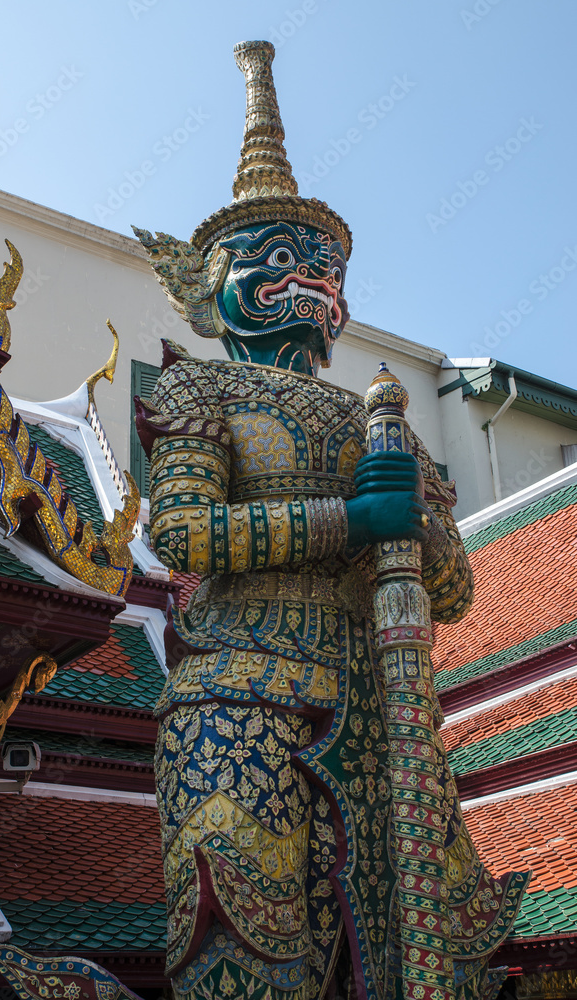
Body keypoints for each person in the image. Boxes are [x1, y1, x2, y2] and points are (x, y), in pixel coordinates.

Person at [134, 40, 528, 1000]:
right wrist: (345, 519)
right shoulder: (199, 391)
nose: (304, 279)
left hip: (379, 706)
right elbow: (183, 534)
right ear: (205, 284)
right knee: (252, 953)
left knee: (402, 960)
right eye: (272, 260)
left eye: (321, 265)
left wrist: (419, 530)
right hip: (238, 697)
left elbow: (455, 588)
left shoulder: (378, 418)